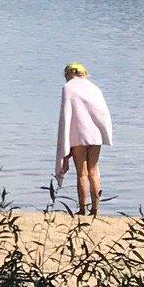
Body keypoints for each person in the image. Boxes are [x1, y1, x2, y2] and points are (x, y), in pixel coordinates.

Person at [54, 61, 114, 217]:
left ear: (70, 74)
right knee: (93, 171)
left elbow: (65, 115)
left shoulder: (68, 88)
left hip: (79, 134)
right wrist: (105, 133)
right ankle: (95, 209)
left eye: (66, 74)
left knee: (82, 173)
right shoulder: (94, 88)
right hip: (96, 135)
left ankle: (82, 209)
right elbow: (102, 113)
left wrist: (64, 141)